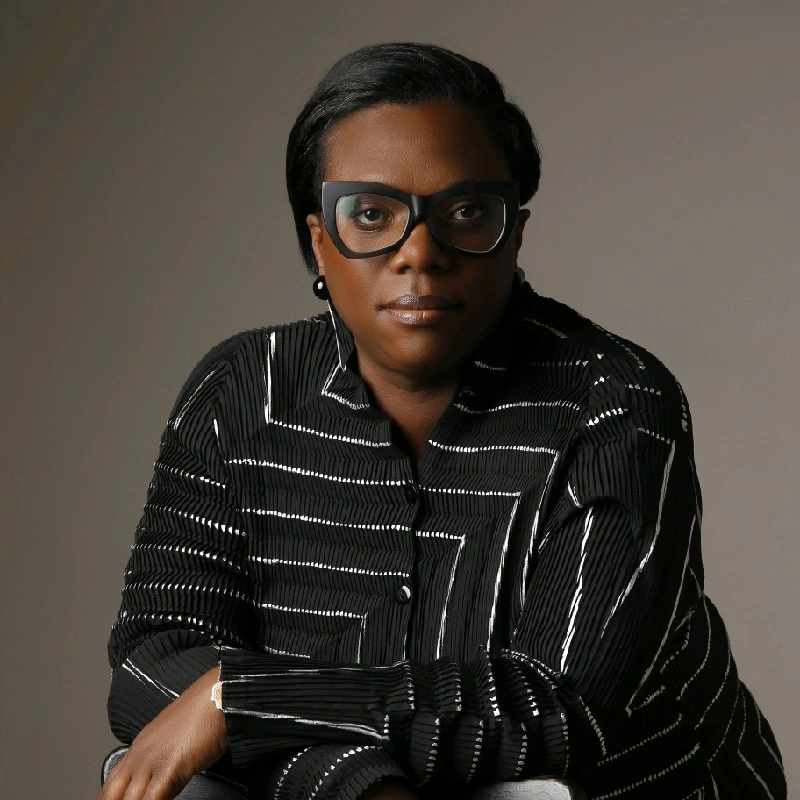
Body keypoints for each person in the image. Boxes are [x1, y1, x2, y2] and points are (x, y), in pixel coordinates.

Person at [99, 42, 786, 800]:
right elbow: (151, 661)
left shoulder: (616, 402)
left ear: (514, 232)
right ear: (319, 241)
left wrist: (245, 701)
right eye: (371, 213)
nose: (420, 253)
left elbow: (559, 711)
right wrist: (353, 780)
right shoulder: (239, 394)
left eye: (465, 212)